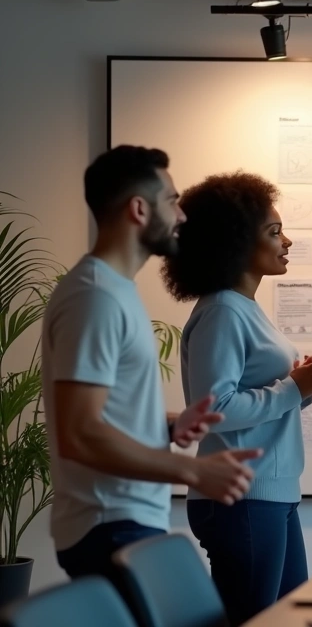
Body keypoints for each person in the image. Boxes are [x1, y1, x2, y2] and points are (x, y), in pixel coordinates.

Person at [43, 146, 263, 588]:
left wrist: (167, 424)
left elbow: (101, 416)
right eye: (172, 201)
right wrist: (194, 471)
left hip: (122, 520)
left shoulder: (114, 290)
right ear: (139, 209)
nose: (181, 215)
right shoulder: (95, 297)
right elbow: (79, 433)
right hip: (108, 522)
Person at [161, 171, 312, 624]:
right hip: (244, 499)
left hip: (270, 494)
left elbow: (257, 401)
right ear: (236, 242)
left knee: (284, 619)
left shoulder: (243, 307)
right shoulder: (223, 310)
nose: (287, 241)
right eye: (275, 232)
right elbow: (216, 410)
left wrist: (304, 392)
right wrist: (293, 388)